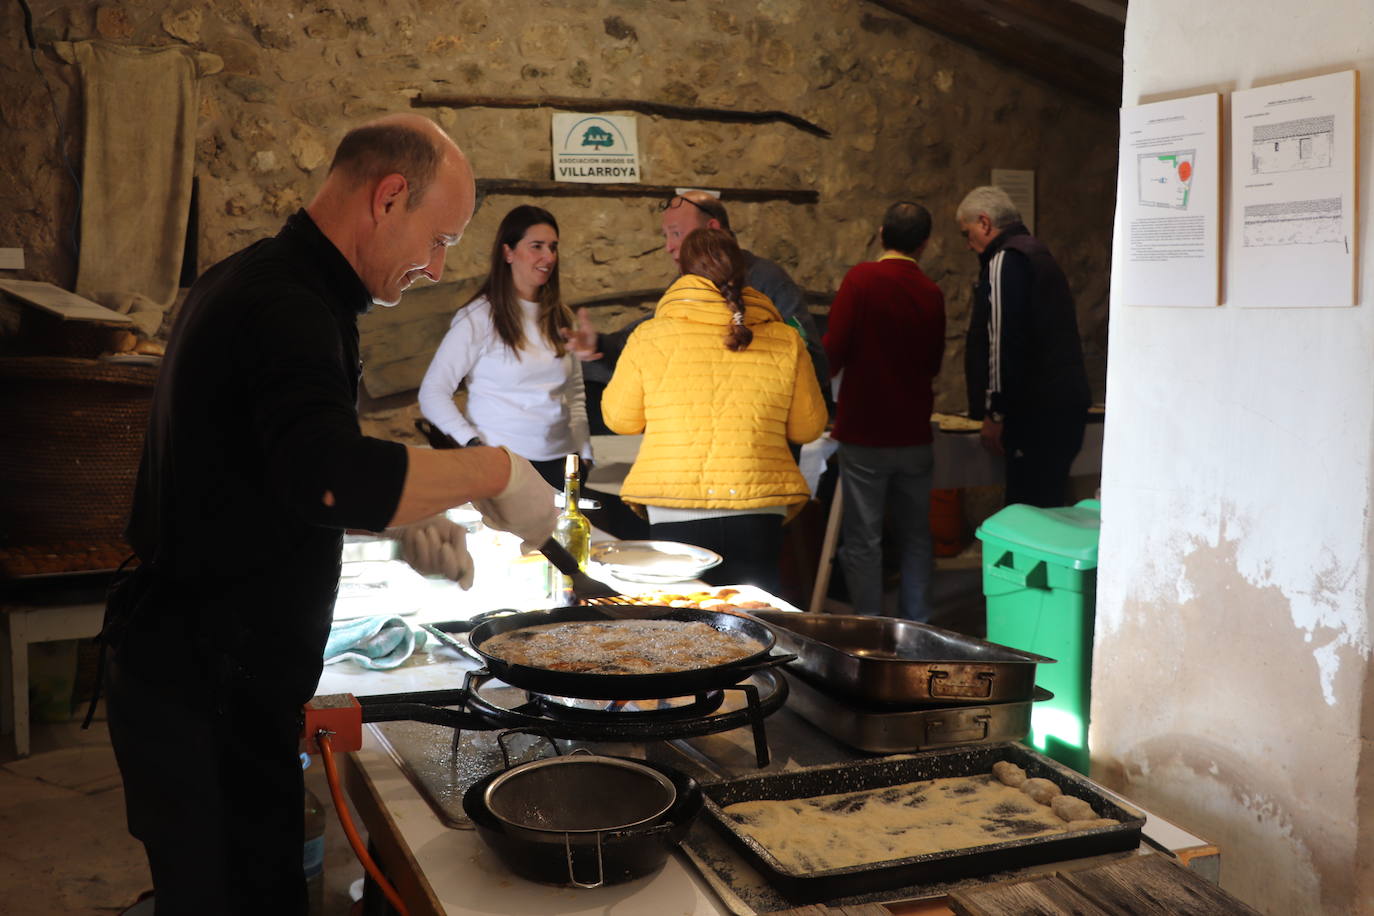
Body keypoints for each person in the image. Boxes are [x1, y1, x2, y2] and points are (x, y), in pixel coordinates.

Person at [102, 114, 557, 915]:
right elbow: (325, 475)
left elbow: (268, 468)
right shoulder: (288, 305)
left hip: (204, 671)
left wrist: (392, 514)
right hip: (206, 688)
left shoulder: (267, 281)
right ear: (389, 198)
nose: (438, 265)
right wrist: (494, 470)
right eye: (441, 238)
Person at [601, 228, 827, 593]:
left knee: (684, 625)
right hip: (758, 503)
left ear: (684, 274)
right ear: (742, 270)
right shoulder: (785, 338)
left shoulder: (649, 336)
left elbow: (620, 419)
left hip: (673, 502)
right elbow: (808, 428)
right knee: (756, 624)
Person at [565, 190, 832, 418]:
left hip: (763, 437)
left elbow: (811, 365)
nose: (669, 247)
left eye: (677, 233)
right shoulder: (684, 286)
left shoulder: (769, 281)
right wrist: (601, 344)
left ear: (712, 229)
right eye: (666, 236)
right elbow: (649, 332)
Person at [823, 202, 946, 621]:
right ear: (925, 243)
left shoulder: (861, 280)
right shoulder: (931, 292)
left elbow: (833, 350)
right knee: (916, 538)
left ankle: (870, 627)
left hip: (865, 431)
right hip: (913, 431)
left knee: (863, 539)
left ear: (880, 233)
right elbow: (932, 363)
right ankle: (917, 627)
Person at [417, 204, 592, 490]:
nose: (548, 257)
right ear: (508, 252)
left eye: (553, 247)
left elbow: (574, 393)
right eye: (537, 246)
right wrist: (473, 444)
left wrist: (584, 451)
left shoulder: (562, 317)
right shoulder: (479, 318)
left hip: (562, 464)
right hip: (504, 465)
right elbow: (433, 392)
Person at [957, 186, 1091, 508]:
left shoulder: (1006, 258)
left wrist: (996, 412)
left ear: (985, 223)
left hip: (1034, 414)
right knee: (1048, 502)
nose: (967, 243)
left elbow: (1003, 340)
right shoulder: (1038, 253)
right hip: (1060, 408)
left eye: (968, 232)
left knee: (1026, 512)